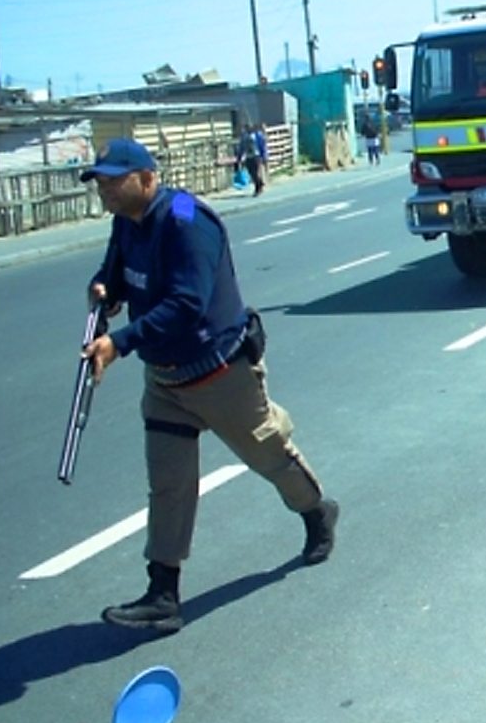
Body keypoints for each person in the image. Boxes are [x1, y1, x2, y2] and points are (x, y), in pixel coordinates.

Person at [79, 138, 339, 634]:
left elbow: (186, 304)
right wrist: (105, 289)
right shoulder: (126, 221)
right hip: (165, 379)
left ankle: (317, 511)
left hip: (220, 373)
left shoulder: (185, 216)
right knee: (169, 484)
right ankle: (163, 594)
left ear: (149, 178)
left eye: (115, 180)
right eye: (101, 182)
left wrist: (120, 342)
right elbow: (116, 270)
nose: (106, 190)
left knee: (270, 456)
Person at [234, 123, 265, 197]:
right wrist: (239, 157)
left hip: (255, 156)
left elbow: (261, 145)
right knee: (252, 173)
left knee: (255, 173)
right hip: (249, 157)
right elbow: (241, 148)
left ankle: (258, 188)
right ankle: (260, 183)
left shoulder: (255, 136)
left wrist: (263, 156)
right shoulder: (245, 137)